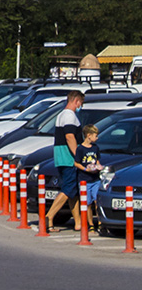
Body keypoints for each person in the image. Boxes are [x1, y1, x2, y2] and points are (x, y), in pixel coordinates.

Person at [46, 90, 84, 231]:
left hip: (61, 156)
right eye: (81, 103)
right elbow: (70, 136)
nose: (81, 106)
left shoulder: (61, 115)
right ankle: (49, 216)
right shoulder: (70, 116)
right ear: (76, 101)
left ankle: (78, 222)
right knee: (68, 189)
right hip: (69, 158)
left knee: (72, 191)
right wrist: (77, 155)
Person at [74, 125, 102, 229]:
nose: (97, 138)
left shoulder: (95, 148)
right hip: (84, 180)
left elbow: (97, 160)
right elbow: (76, 163)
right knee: (87, 203)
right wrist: (86, 169)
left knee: (97, 201)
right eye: (96, 135)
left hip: (95, 179)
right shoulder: (80, 149)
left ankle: (100, 222)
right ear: (88, 135)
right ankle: (90, 224)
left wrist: (98, 167)